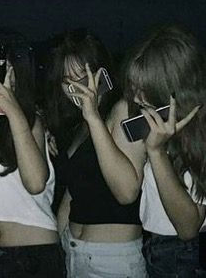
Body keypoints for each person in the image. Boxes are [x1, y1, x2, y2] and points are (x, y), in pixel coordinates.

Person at [121, 25, 206, 277]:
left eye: (144, 89)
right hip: (176, 251)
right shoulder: (178, 131)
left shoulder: (199, 136)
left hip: (186, 254)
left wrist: (156, 153)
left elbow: (188, 228)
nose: (136, 98)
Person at [0, 28, 62, 277]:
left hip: (32, 256)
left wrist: (13, 111)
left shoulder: (30, 123)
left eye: (8, 83)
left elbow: (36, 183)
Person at [44, 29, 147, 277]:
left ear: (101, 73)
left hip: (112, 258)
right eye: (67, 80)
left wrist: (93, 117)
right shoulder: (78, 126)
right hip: (74, 251)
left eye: (82, 77)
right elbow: (73, 192)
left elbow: (127, 192)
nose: (75, 87)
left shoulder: (123, 110)